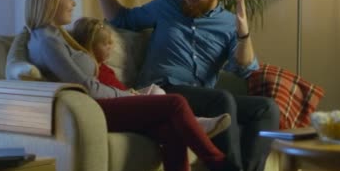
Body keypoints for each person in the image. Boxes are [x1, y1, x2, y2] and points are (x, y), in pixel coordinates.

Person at [21, 0, 279, 171]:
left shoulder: (54, 35)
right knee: (175, 102)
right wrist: (130, 96)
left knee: (172, 131)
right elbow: (88, 87)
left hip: (102, 105)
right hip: (94, 111)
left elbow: (245, 67)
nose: (74, 2)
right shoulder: (46, 40)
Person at [90, 0, 281, 171]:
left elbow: (243, 69)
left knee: (266, 108)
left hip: (199, 96)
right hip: (162, 92)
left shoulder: (228, 23)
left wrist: (243, 34)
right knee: (222, 101)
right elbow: (122, 18)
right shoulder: (166, 6)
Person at [70, 16, 230, 138]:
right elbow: (103, 92)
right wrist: (128, 95)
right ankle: (196, 123)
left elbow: (116, 88)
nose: (111, 47)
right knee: (171, 101)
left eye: (111, 42)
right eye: (106, 44)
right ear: (90, 45)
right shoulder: (91, 68)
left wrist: (130, 92)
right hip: (120, 106)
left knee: (156, 90)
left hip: (127, 98)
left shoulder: (104, 67)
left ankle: (194, 122)